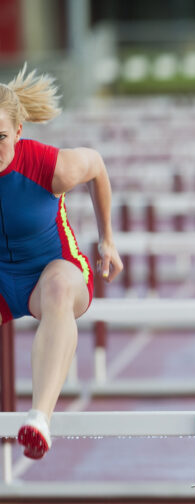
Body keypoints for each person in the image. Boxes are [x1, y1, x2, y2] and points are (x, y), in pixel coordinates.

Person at [0, 65, 123, 460]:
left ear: (19, 132)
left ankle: (39, 418)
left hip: (53, 270)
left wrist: (107, 239)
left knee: (55, 288)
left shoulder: (49, 165)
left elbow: (98, 167)